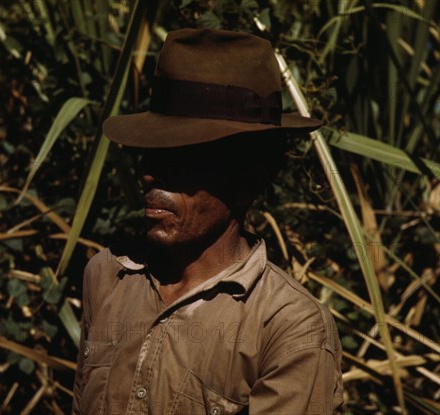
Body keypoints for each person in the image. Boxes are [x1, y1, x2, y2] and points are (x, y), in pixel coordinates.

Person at [72, 28, 343, 415]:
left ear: (247, 180)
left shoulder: (288, 327)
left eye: (181, 159)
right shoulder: (106, 276)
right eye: (149, 153)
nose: (150, 175)